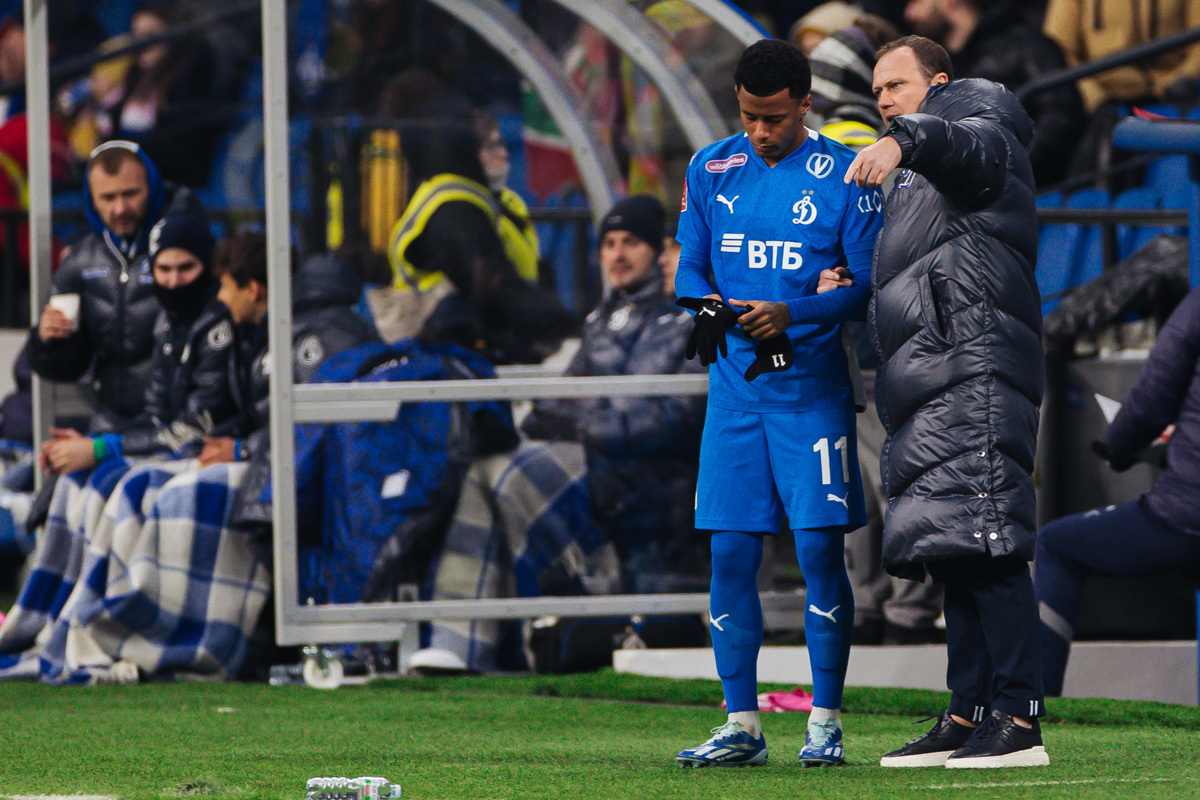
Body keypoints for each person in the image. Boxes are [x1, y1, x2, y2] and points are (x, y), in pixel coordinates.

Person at [670, 39, 883, 768]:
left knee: (820, 551)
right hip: (734, 399)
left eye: (775, 118)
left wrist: (794, 312)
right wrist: (705, 306)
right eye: (749, 117)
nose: (760, 131)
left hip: (812, 397)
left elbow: (866, 287)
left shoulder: (845, 176)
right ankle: (742, 723)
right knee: (730, 553)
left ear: (805, 105)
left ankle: (825, 720)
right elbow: (690, 267)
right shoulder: (710, 167)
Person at [844, 36, 1048, 768]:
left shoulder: (982, 129)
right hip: (932, 375)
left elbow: (966, 150)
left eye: (896, 86)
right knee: (953, 548)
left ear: (938, 83)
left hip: (976, 370)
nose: (884, 101)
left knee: (988, 544)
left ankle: (1020, 717)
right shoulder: (912, 172)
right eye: (877, 92)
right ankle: (968, 711)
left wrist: (904, 138)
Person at [522, 195, 705, 588]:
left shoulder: (690, 321)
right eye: (609, 243)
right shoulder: (599, 322)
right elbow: (556, 402)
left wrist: (585, 428)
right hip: (599, 474)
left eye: (631, 242)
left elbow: (680, 417)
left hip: (655, 485)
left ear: (657, 252)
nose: (618, 254)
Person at [1035, 288, 1200, 697]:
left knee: (1056, 545)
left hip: (1186, 516)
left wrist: (1117, 448)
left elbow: (1150, 401)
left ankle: (1033, 703)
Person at [24, 140, 202, 435]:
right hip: (110, 422)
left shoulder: (188, 248)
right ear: (91, 199)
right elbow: (66, 367)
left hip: (180, 422)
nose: (120, 208)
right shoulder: (80, 261)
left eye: (130, 194)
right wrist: (47, 341)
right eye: (107, 198)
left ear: (153, 188)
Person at [39, 214, 237, 476]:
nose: (173, 281)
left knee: (119, 480)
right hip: (172, 448)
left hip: (212, 455)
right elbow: (155, 416)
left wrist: (101, 448)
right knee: (71, 475)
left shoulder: (220, 327)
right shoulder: (167, 321)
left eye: (186, 268)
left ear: (208, 267)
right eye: (164, 269)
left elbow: (195, 430)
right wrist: (92, 442)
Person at [904, 0, 1084, 186]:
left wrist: (1007, 168)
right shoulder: (936, 71)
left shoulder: (1023, 44)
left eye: (917, 1)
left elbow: (1061, 113)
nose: (909, 13)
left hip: (1035, 188)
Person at [1043, 0, 1200, 112]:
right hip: (1099, 105)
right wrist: (1094, 96)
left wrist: (1178, 80)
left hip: (1175, 98)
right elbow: (1056, 50)